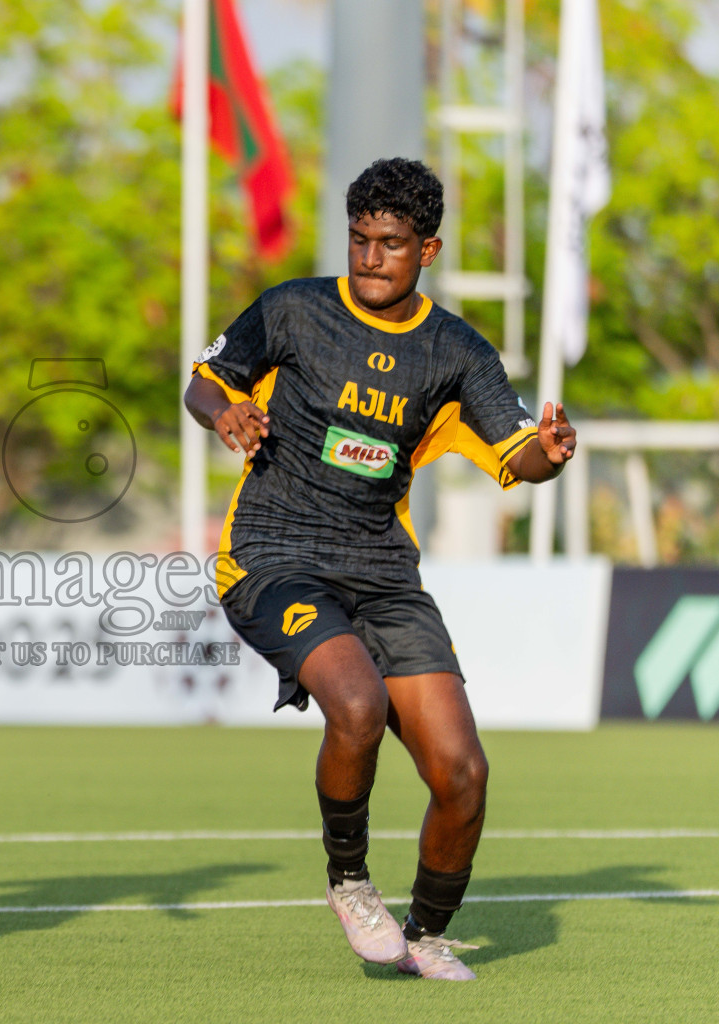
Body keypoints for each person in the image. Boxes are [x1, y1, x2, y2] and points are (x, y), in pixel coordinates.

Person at [183, 158, 576, 981]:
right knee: (355, 704)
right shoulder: (294, 308)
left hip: (385, 573)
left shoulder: (457, 353)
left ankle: (427, 934)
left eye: (389, 245)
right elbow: (205, 383)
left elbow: (516, 456)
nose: (369, 259)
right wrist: (231, 413)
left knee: (463, 773)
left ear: (426, 249)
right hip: (272, 555)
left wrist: (549, 453)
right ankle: (349, 880)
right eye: (359, 241)